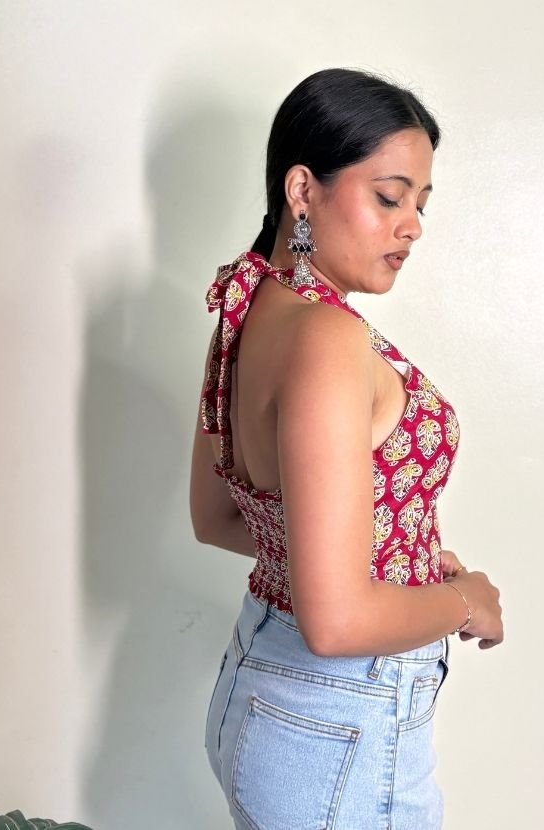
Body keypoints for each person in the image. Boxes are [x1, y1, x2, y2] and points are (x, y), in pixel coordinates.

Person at [189, 67, 503, 830]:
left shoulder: (247, 310)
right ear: (303, 189)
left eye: (421, 204)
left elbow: (223, 518)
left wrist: (398, 557)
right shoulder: (328, 337)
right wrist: (466, 602)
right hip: (337, 725)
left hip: (264, 689)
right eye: (390, 197)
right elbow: (333, 621)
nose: (413, 226)